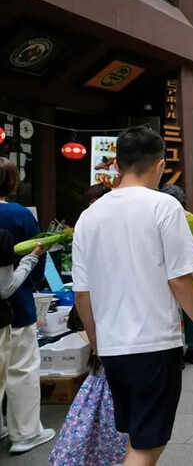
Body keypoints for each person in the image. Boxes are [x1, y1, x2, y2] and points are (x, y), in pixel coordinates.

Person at [73, 127, 193, 466]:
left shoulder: (88, 217)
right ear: (160, 165)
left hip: (113, 347)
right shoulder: (164, 206)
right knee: (149, 440)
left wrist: (96, 341)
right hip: (154, 343)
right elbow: (181, 279)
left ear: (118, 165)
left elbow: (82, 293)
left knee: (139, 433)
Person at [0, 157, 53, 455]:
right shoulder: (19, 215)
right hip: (14, 304)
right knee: (20, 368)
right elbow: (37, 259)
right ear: (11, 182)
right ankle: (25, 433)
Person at [0, 232, 45, 447]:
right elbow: (5, 288)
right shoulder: (2, 237)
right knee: (19, 370)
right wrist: (32, 257)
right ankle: (25, 434)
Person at [158, 185, 193, 365]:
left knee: (170, 313)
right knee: (191, 312)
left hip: (170, 273)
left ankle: (174, 352)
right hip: (192, 272)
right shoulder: (192, 219)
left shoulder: (166, 220)